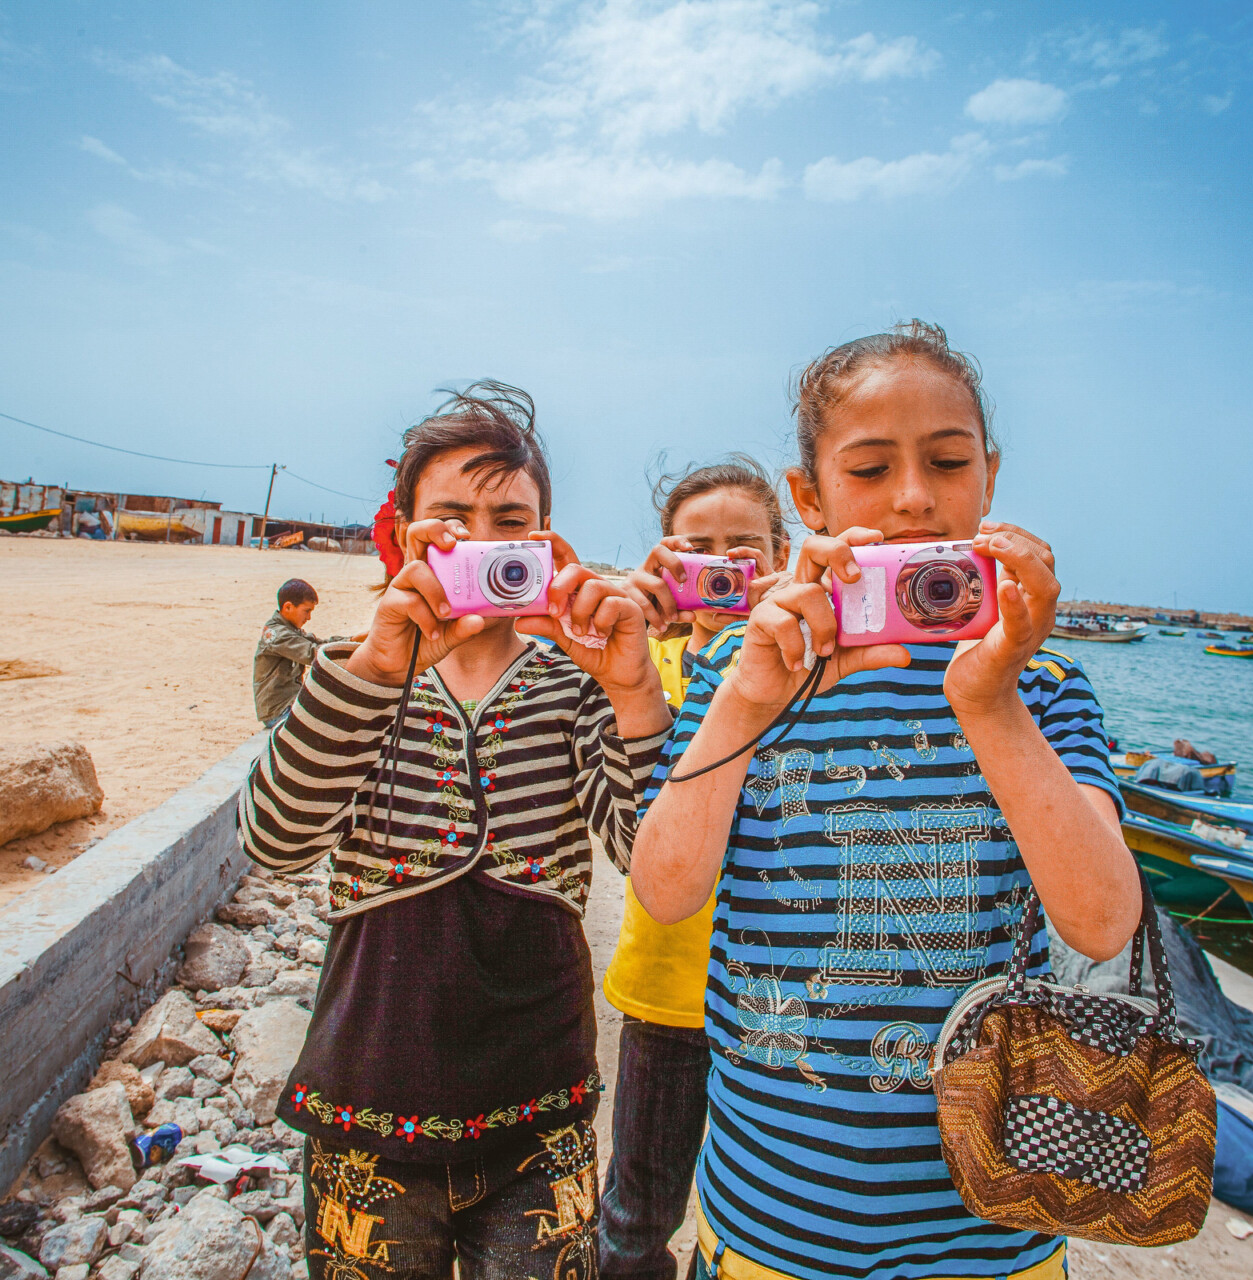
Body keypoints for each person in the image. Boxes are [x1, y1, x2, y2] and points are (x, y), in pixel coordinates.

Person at [630, 321, 1140, 1280]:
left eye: (947, 461)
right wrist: (745, 695)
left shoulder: (1046, 686)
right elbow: (664, 891)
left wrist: (992, 704)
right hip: (774, 1225)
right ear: (809, 496)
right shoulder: (742, 674)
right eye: (869, 471)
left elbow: (1104, 920)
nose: (914, 499)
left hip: (997, 1231)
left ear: (989, 474)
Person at [236, 380, 673, 1280]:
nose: (482, 542)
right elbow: (275, 840)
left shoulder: (575, 686)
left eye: (510, 519)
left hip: (541, 1110)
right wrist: (376, 666)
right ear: (403, 535)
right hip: (365, 1101)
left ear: (547, 542)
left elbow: (651, 860)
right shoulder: (349, 673)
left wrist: (634, 694)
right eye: (451, 518)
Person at [600, 458, 792, 1280]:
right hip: (667, 987)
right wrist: (631, 626)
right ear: (665, 561)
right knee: (638, 1211)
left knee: (769, 1219)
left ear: (784, 559)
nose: (723, 570)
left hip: (785, 1002)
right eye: (697, 551)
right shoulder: (644, 665)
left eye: (743, 551)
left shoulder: (814, 669)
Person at [254, 579, 324, 728]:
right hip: (278, 712)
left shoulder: (290, 629)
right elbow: (312, 653)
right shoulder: (277, 634)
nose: (309, 617)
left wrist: (352, 640)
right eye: (307, 611)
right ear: (288, 607)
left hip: (290, 704)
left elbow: (318, 644)